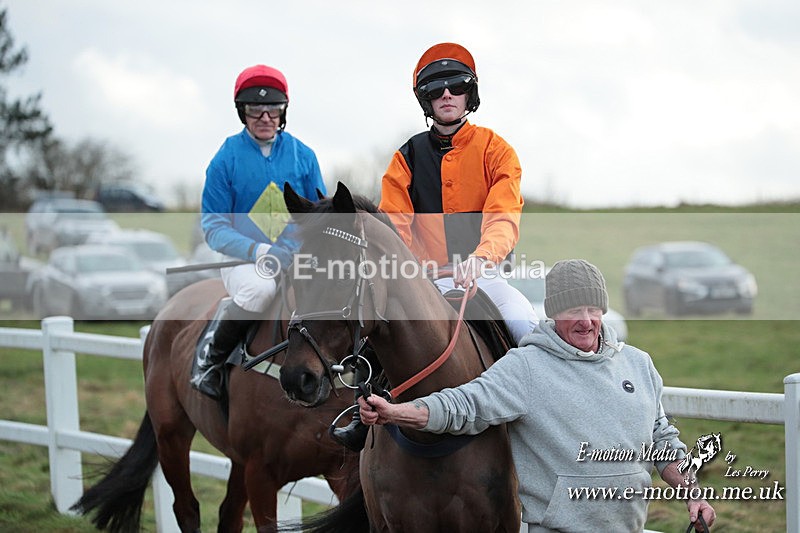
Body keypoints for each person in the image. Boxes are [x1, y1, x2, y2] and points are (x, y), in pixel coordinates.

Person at [358, 259, 717, 532]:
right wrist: (396, 412)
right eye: (573, 310)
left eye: (593, 309)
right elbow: (463, 406)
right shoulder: (526, 367)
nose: (585, 321)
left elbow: (662, 442)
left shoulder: (639, 365)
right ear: (552, 312)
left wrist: (693, 494)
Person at [331, 42, 538, 450]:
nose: (447, 94)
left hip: (485, 277)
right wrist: (410, 270)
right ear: (425, 98)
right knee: (376, 332)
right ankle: (363, 411)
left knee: (525, 324)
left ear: (469, 95)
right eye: (436, 88)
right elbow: (394, 227)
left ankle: (544, 415)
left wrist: (481, 258)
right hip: (423, 282)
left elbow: (503, 217)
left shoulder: (497, 151)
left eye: (456, 86)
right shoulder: (404, 158)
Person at [191, 64, 326, 400]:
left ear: (283, 112)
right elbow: (213, 227)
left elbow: (319, 214)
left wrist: (297, 249)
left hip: (295, 255)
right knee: (260, 291)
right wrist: (261, 252)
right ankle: (211, 359)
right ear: (243, 113)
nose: (265, 117)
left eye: (273, 109)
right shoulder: (225, 159)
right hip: (243, 258)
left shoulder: (303, 156)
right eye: (255, 109)